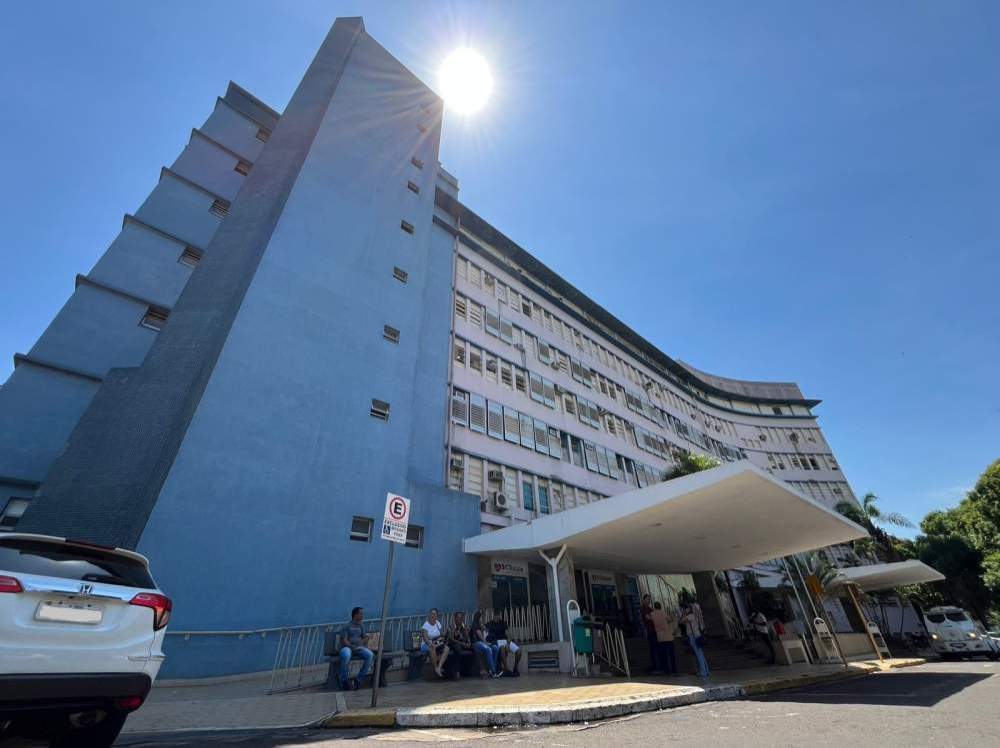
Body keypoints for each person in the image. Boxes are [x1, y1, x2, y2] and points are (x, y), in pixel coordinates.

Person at [336, 606, 374, 691]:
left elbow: (364, 637)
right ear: (355, 615)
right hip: (347, 648)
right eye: (361, 614)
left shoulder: (361, 626)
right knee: (346, 655)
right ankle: (344, 681)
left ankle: (359, 680)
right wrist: (352, 647)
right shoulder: (347, 626)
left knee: (370, 655)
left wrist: (364, 640)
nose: (362, 615)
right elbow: (344, 640)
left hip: (359, 648)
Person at [681, 603, 710, 679]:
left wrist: (684, 614)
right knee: (701, 654)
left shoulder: (690, 616)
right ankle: (706, 671)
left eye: (683, 609)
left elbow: (681, 621)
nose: (683, 610)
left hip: (694, 637)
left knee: (698, 655)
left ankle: (703, 672)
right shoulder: (695, 615)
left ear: (687, 609)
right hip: (697, 635)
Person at [420, 607, 450, 677]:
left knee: (447, 648)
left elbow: (441, 634)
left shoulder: (438, 623)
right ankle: (436, 667)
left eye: (434, 614)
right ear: (429, 615)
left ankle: (439, 667)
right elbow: (425, 639)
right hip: (426, 644)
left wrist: (446, 633)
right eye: (431, 613)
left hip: (437, 643)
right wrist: (431, 644)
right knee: (432, 648)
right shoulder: (425, 625)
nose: (432, 615)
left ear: (437, 615)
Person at [471, 611, 501, 678]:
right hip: (476, 643)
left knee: (495, 648)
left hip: (483, 643)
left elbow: (487, 635)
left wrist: (484, 628)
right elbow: (482, 639)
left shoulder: (482, 626)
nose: (482, 619)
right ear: (478, 618)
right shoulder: (475, 626)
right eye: (481, 618)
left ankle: (491, 670)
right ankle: (493, 672)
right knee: (488, 649)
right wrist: (487, 644)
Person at [445, 611, 475, 679]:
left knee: (474, 648)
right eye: (458, 618)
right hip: (453, 644)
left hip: (462, 644)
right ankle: (457, 671)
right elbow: (452, 639)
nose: (459, 619)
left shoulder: (464, 627)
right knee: (458, 649)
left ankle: (472, 669)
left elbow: (467, 637)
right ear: (455, 619)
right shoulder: (451, 627)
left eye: (461, 618)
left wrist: (469, 643)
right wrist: (463, 643)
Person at [651, 601, 677, 675]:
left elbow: (650, 619)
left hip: (660, 637)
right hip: (668, 636)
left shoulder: (652, 614)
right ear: (660, 606)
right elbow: (670, 620)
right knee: (671, 654)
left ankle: (666, 669)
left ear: (654, 607)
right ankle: (674, 669)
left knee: (663, 654)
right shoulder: (663, 613)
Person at [641, 594, 659, 672]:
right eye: (647, 599)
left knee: (655, 648)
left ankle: (657, 665)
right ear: (644, 600)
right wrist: (654, 618)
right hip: (650, 630)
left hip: (654, 630)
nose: (649, 601)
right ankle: (655, 665)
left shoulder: (650, 609)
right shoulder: (643, 608)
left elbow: (653, 617)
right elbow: (648, 617)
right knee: (653, 648)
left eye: (649, 599)